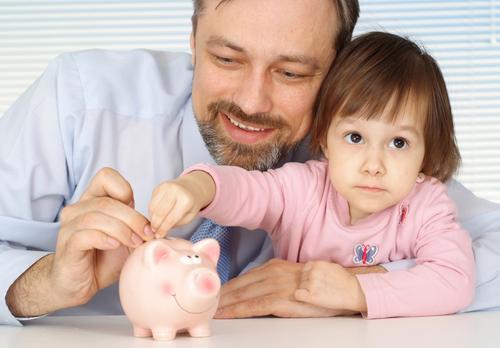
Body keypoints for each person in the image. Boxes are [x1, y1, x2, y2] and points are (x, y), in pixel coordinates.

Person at [0, 0, 498, 326]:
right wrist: (44, 283)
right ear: (193, 40)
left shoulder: (364, 153)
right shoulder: (77, 100)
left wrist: (347, 285)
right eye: (227, 59)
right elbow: (239, 192)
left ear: (338, 73)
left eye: (291, 72)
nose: (253, 101)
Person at [148, 32, 475, 319]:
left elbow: (454, 281)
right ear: (324, 139)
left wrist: (355, 290)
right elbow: (248, 191)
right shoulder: (303, 188)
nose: (373, 164)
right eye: (355, 138)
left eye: (399, 143)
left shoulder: (427, 205)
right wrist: (198, 186)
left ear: (426, 153)